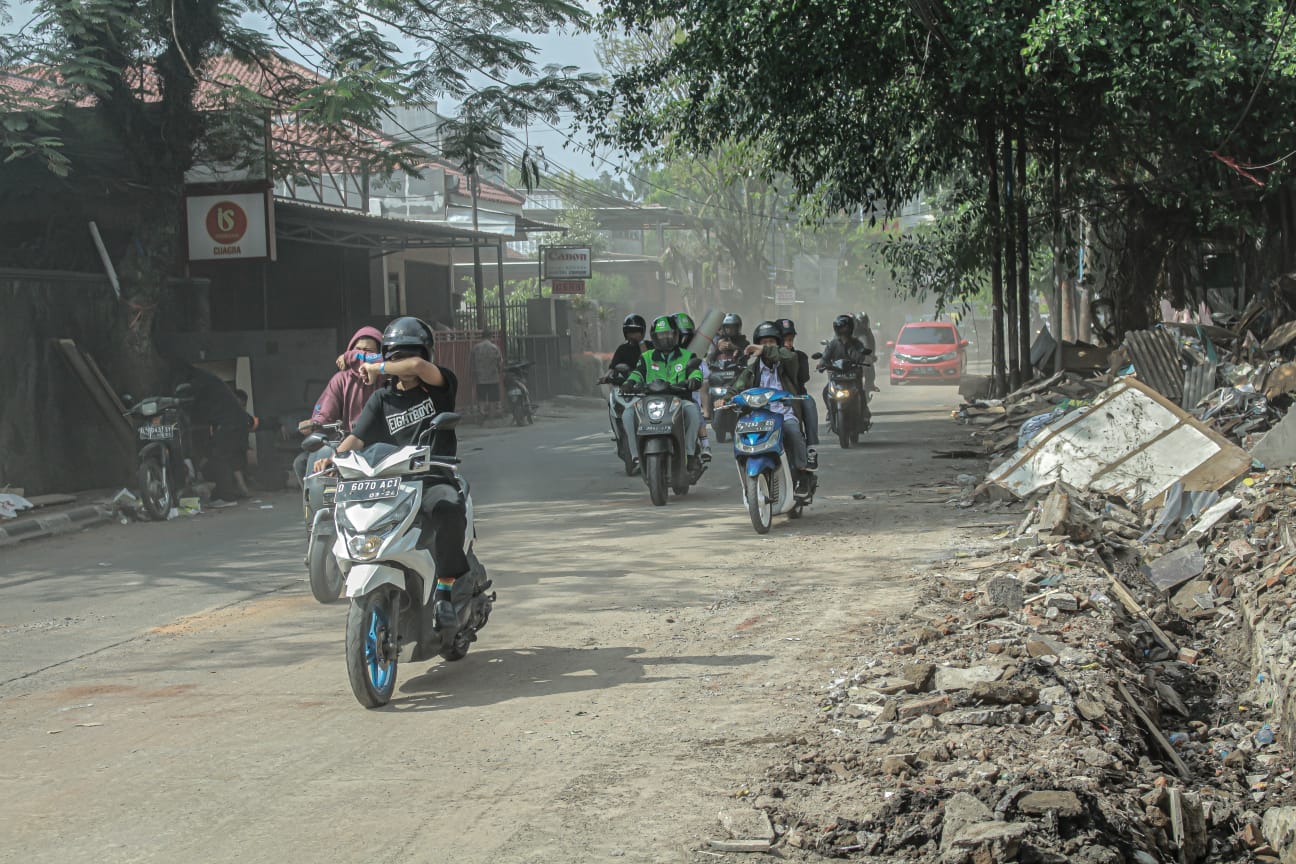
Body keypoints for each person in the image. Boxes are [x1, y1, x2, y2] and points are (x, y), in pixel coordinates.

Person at [313, 316, 465, 631]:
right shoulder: (382, 398)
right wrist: (334, 457)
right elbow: (358, 437)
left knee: (448, 509)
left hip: (433, 476)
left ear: (425, 354)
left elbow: (420, 370)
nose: (405, 363)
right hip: (392, 481)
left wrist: (379, 367)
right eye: (396, 356)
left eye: (412, 355)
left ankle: (445, 591)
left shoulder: (439, 386)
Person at [294, 326, 384, 484]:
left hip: (383, 443)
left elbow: (385, 360)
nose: (360, 356)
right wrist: (316, 423)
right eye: (358, 350)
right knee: (302, 463)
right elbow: (325, 412)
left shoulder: (389, 377)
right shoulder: (341, 379)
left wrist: (350, 355)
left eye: (368, 351)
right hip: (350, 443)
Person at [726, 321, 813, 484]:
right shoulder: (752, 369)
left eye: (771, 342)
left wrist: (765, 350)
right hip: (759, 418)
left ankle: (802, 472)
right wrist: (724, 399)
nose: (766, 346)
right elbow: (737, 386)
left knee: (794, 432)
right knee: (742, 437)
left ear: (778, 344)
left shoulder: (787, 363)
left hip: (783, 414)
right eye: (763, 343)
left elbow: (789, 356)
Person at [622, 315, 706, 473]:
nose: (665, 338)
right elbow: (638, 373)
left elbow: (695, 371)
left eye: (669, 334)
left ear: (676, 335)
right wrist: (629, 383)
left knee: (693, 411)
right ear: (654, 338)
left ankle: (690, 454)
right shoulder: (646, 357)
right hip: (649, 401)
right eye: (661, 335)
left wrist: (694, 380)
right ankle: (636, 457)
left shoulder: (687, 356)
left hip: (679, 400)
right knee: (628, 414)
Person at [180, 364, 249, 504]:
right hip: (233, 421)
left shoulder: (198, 382)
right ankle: (227, 492)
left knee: (219, 457)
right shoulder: (208, 380)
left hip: (229, 422)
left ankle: (226, 497)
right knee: (222, 455)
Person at [820, 313, 873, 431]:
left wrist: (861, 355)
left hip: (853, 376)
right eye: (840, 328)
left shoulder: (856, 343)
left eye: (845, 328)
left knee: (861, 392)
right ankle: (830, 412)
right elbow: (825, 357)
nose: (843, 330)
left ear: (850, 328)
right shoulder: (833, 344)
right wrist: (821, 363)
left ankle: (864, 414)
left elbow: (861, 354)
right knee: (825, 391)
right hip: (837, 376)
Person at [776, 318, 820, 457]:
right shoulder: (765, 359)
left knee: (809, 402)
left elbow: (803, 377)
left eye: (791, 339)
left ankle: (811, 447)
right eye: (785, 339)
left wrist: (788, 358)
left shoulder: (799, 356)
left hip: (796, 397)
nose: (789, 343)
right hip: (772, 400)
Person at [672, 311, 711, 461]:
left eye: (687, 337)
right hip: (665, 397)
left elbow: (704, 374)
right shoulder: (659, 354)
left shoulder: (694, 356)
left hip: (688, 397)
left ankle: (705, 445)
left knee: (695, 411)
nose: (682, 340)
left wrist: (692, 379)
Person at [469, 330, 504, 420]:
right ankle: (491, 416)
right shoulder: (495, 348)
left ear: (482, 337)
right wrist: (500, 372)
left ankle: (482, 414)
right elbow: (500, 363)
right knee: (492, 398)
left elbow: (471, 363)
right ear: (490, 337)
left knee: (481, 397)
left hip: (480, 377)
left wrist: (473, 374)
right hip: (493, 377)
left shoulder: (475, 348)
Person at [856, 312, 879, 393]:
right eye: (862, 322)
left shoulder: (867, 333)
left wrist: (872, 355)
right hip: (851, 358)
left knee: (870, 368)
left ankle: (869, 385)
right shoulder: (850, 332)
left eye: (865, 322)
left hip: (863, 358)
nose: (863, 324)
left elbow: (871, 345)